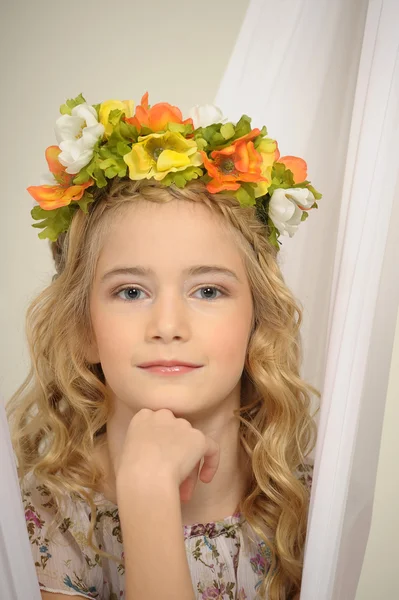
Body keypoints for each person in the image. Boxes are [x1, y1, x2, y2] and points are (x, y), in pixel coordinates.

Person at [6, 91, 321, 600]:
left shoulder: (306, 499)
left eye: (208, 290)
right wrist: (148, 493)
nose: (167, 325)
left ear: (256, 321)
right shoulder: (47, 519)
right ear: (84, 327)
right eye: (131, 291)